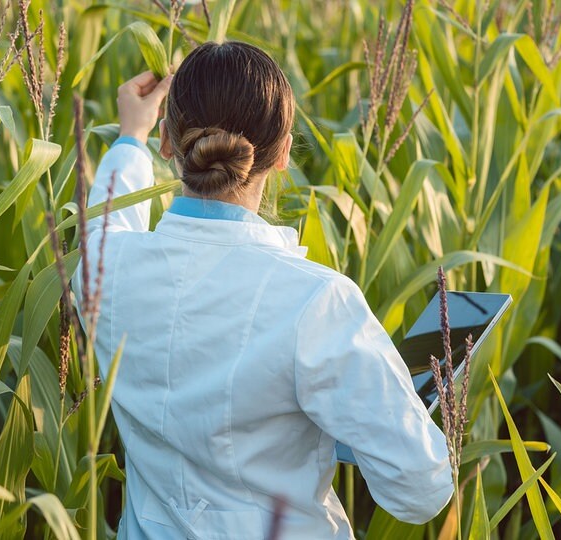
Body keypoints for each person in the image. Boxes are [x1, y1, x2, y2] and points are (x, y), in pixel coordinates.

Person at [73, 41, 453, 540]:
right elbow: (420, 492)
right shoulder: (317, 303)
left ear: (167, 143)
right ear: (284, 155)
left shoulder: (102, 274)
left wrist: (130, 137)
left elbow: (102, 227)